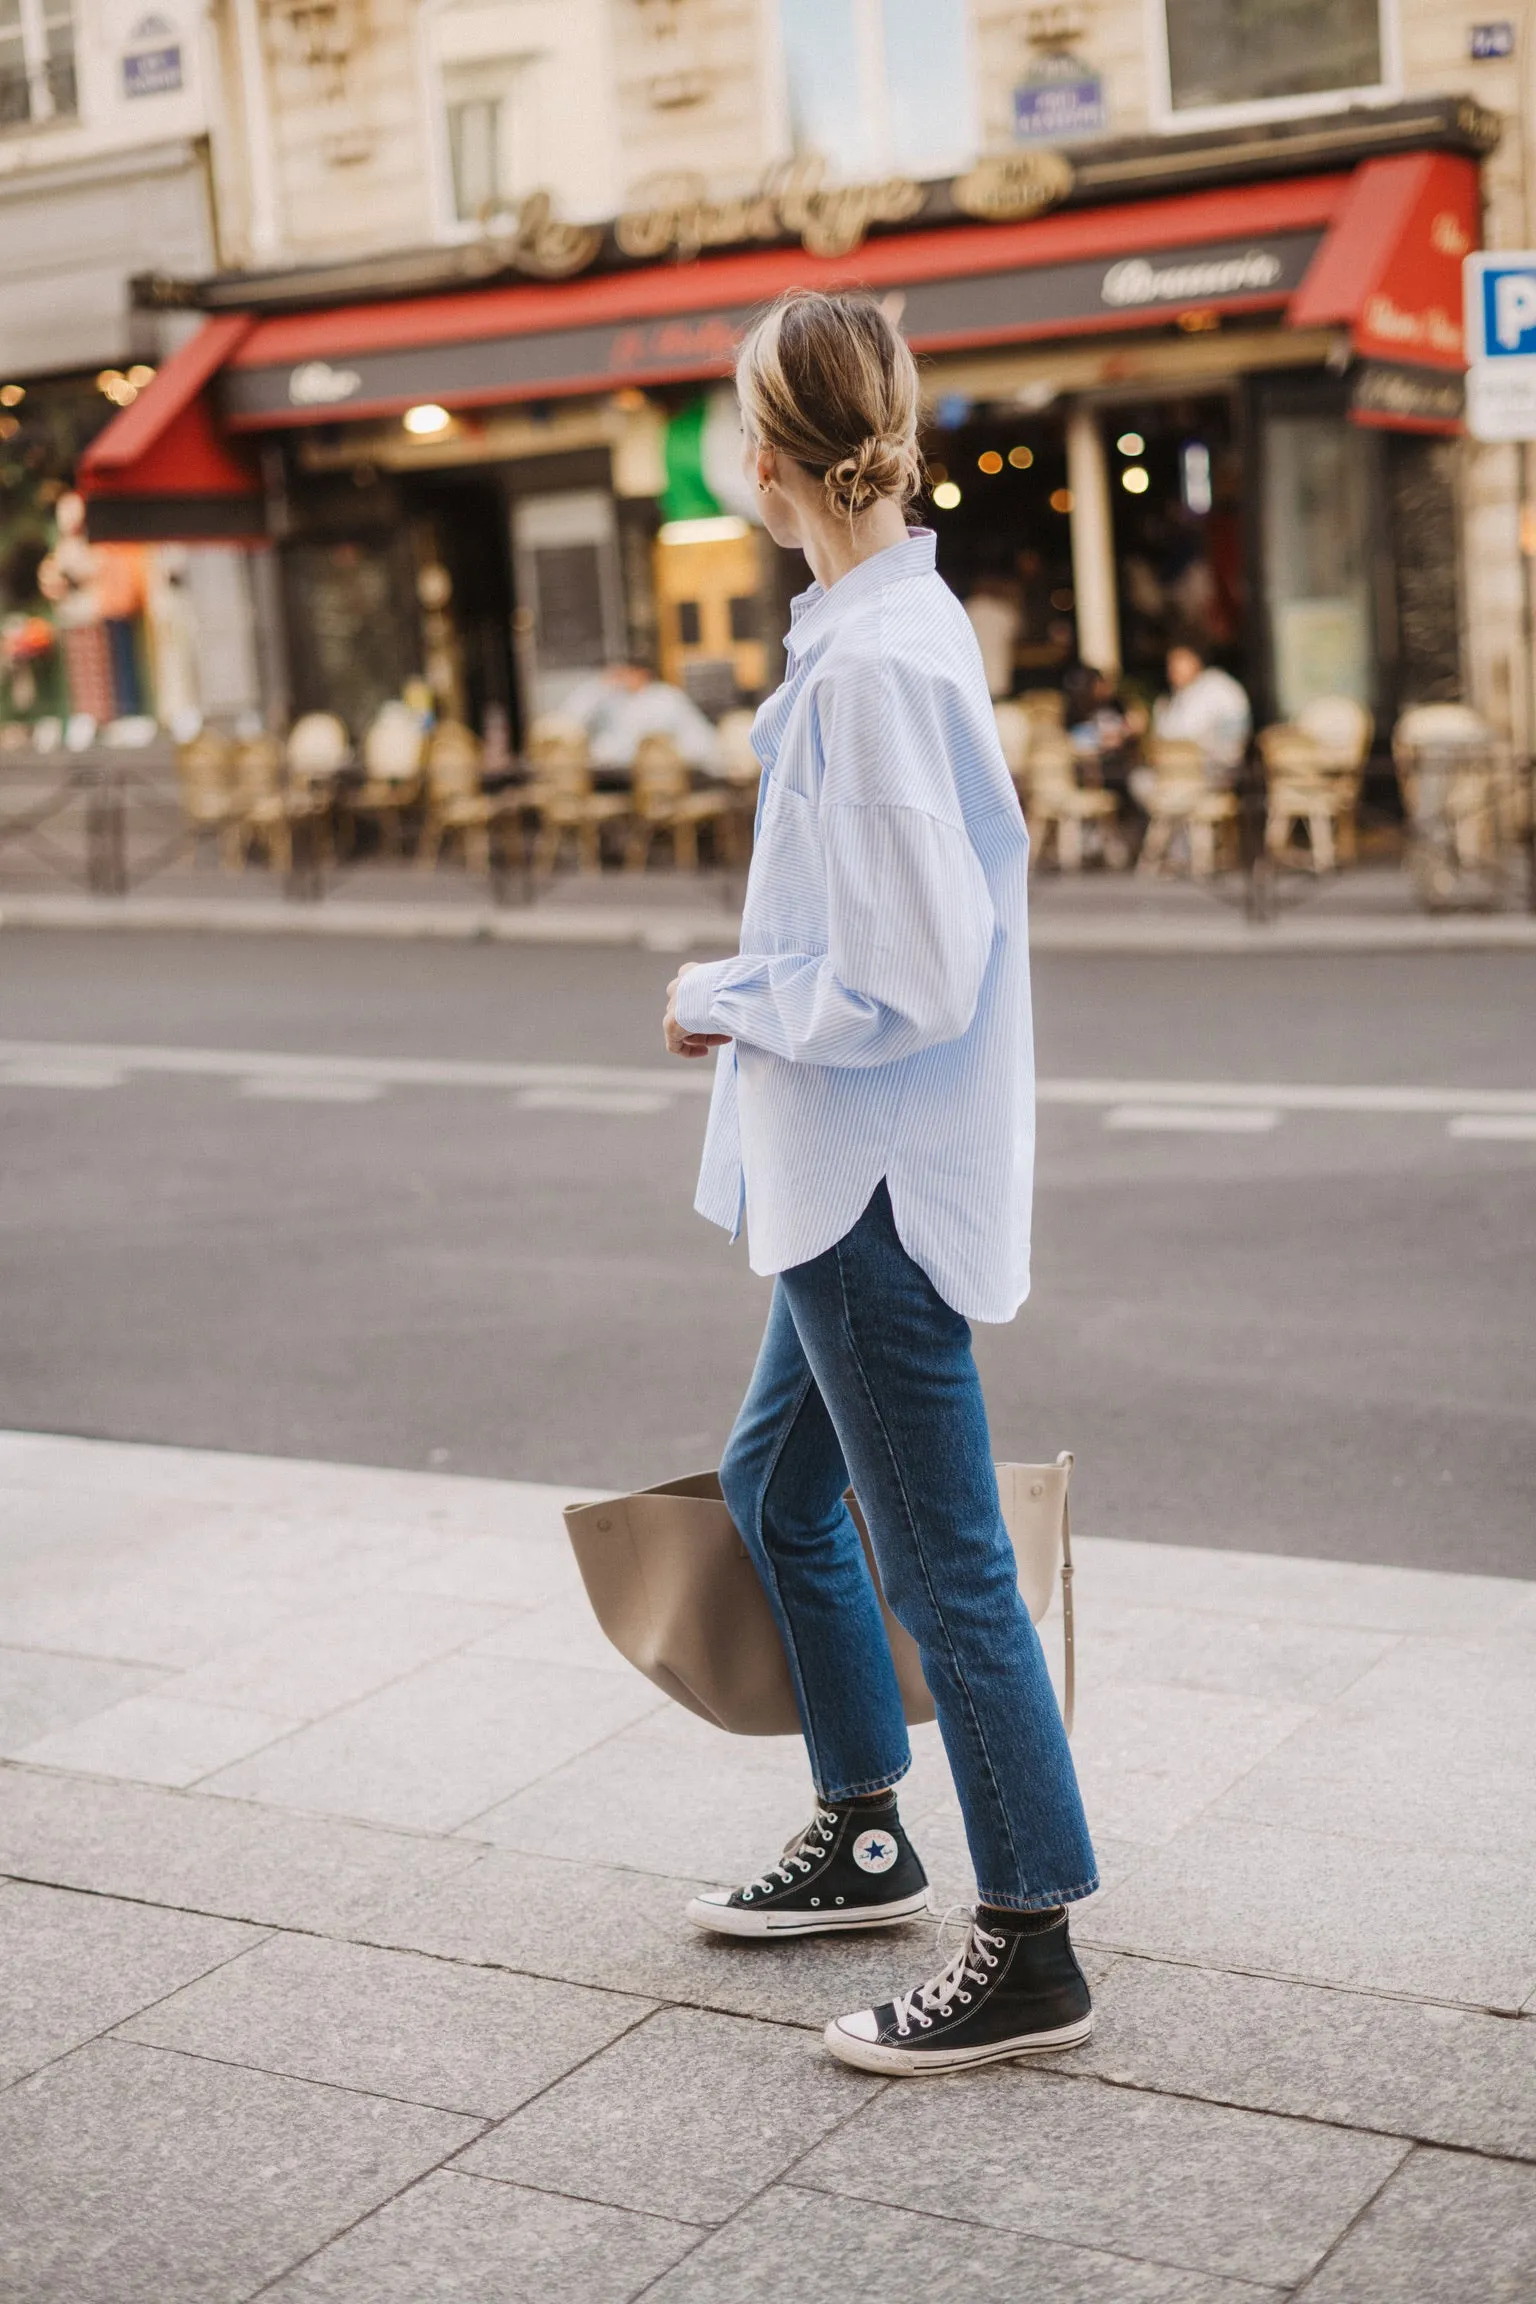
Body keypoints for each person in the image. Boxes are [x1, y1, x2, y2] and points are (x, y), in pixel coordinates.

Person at [660, 289, 1097, 2077]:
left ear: (768, 459)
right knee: (776, 1480)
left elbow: (909, 974)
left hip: (875, 1192)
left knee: (949, 1564)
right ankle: (866, 1825)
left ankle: (1031, 1936)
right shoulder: (870, 624)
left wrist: (718, 995)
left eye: (727, 421)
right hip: (846, 1175)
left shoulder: (876, 664)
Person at [563, 658, 719, 772]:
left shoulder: (665, 697)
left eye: (629, 673)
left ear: (643, 673)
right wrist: (600, 685)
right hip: (622, 771)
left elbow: (695, 739)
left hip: (669, 770)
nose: (625, 679)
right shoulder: (615, 699)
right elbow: (571, 717)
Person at [1138, 637, 1251, 793]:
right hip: (1171, 774)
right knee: (1139, 780)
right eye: (1170, 664)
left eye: (1178, 662)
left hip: (1211, 772)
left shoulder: (1220, 687)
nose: (1172, 669)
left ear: (1195, 660)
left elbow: (1233, 742)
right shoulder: (1169, 701)